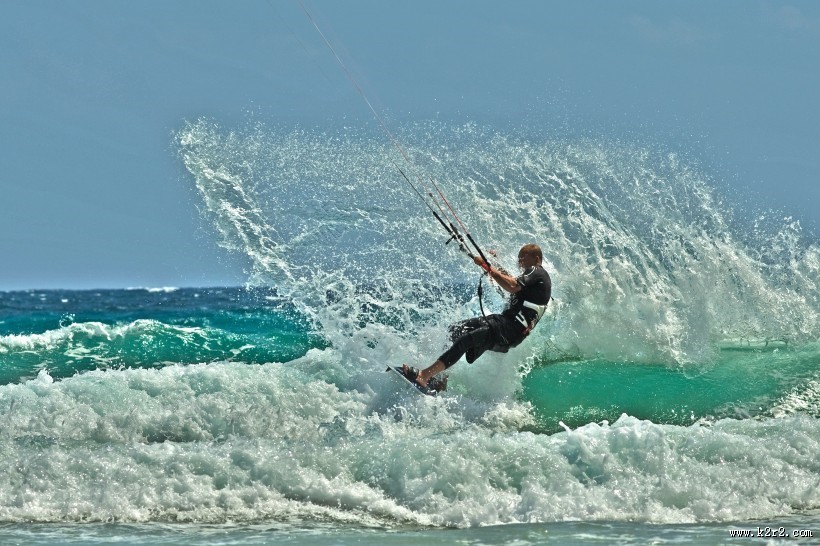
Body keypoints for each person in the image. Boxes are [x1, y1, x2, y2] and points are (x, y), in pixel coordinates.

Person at [403, 243, 552, 390]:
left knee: (465, 340)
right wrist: (490, 262)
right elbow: (507, 282)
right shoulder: (534, 285)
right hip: (504, 327)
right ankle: (439, 380)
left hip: (509, 329)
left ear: (536, 258)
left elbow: (511, 285)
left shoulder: (537, 271)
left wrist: (488, 267)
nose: (520, 263)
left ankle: (424, 375)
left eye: (523, 259)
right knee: (456, 329)